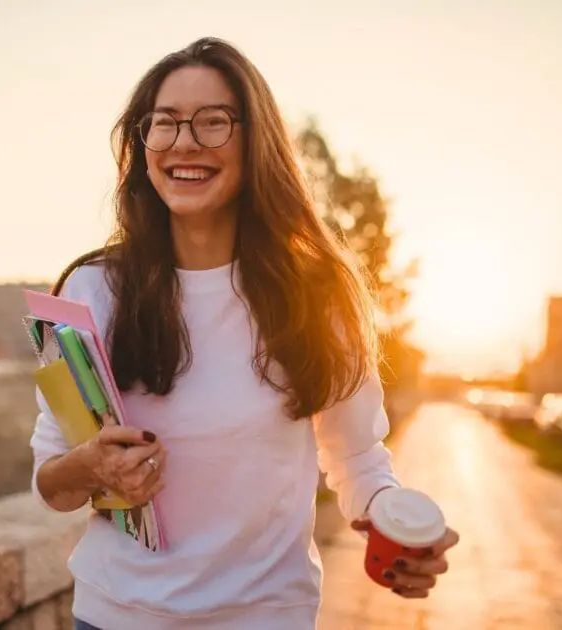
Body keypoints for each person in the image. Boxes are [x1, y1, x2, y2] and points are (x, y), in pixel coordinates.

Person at [30, 36, 459, 630]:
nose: (185, 143)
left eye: (213, 123)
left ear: (257, 141)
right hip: (114, 617)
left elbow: (356, 455)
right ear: (142, 142)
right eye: (164, 124)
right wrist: (90, 469)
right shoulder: (90, 290)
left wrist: (393, 518)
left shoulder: (319, 291)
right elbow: (52, 480)